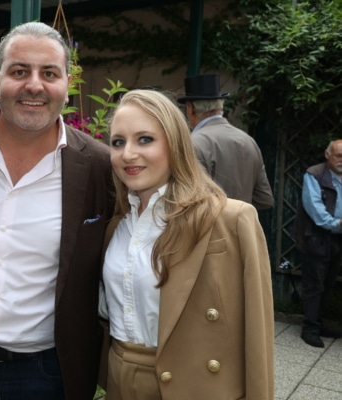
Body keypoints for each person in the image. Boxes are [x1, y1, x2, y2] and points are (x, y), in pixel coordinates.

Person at [0, 22, 115, 400]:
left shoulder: (100, 167)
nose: (34, 85)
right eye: (20, 71)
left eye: (49, 73)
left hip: (47, 374)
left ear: (68, 83)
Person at [101, 89, 274, 399]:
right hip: (119, 383)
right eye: (118, 142)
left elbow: (258, 339)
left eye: (145, 139)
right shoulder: (116, 227)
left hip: (193, 386)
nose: (127, 154)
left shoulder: (231, 220)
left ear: (175, 144)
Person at [177, 73, 274, 210]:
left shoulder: (193, 143)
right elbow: (265, 199)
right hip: (243, 229)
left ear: (191, 108)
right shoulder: (248, 141)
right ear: (220, 105)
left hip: (208, 229)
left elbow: (188, 201)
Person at [293, 140, 342, 348]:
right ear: (327, 154)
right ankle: (310, 329)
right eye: (339, 155)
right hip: (317, 237)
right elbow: (315, 210)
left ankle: (319, 324)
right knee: (315, 285)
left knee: (329, 283)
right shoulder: (314, 174)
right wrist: (337, 223)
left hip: (338, 239)